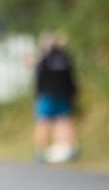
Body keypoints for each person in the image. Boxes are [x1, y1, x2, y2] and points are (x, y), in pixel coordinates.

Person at [33, 32, 79, 163]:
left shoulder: (44, 58)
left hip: (46, 96)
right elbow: (71, 77)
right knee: (64, 121)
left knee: (43, 122)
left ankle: (41, 151)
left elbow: (39, 78)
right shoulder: (65, 58)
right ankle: (68, 150)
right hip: (64, 95)